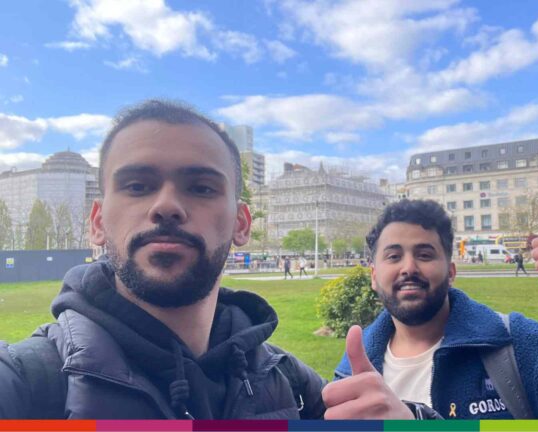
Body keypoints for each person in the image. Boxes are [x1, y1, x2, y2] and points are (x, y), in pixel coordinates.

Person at [0, 100, 418, 421]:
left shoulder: (287, 383)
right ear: (96, 223)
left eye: (200, 188)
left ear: (241, 223)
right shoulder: (28, 383)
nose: (166, 206)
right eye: (138, 185)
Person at [333, 199, 538, 420]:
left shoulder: (520, 348)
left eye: (424, 254)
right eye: (393, 256)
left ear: (451, 271)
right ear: (374, 276)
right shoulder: (354, 370)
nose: (408, 267)